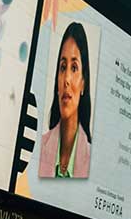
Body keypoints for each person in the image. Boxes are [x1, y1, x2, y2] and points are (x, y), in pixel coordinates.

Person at [37, 22, 93, 179]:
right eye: (63, 67)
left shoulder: (92, 161)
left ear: (83, 83)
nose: (66, 79)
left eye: (74, 68)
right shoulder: (39, 148)